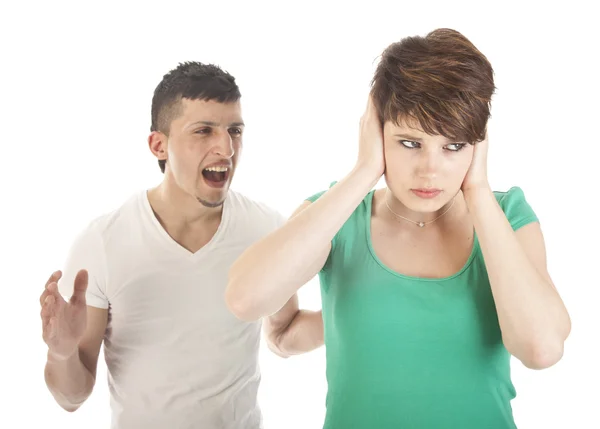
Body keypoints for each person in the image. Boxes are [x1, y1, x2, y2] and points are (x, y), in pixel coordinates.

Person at [225, 28, 572, 429]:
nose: (430, 169)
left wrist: (477, 190)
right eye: (410, 143)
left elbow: (542, 350)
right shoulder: (341, 216)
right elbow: (245, 299)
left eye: (454, 146)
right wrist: (363, 171)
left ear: (479, 143)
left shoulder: (507, 215)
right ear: (376, 132)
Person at [39, 61, 288, 429]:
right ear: (159, 145)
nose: (226, 148)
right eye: (203, 131)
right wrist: (61, 352)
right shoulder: (103, 244)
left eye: (234, 130)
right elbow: (71, 397)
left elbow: (285, 333)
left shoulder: (265, 229)